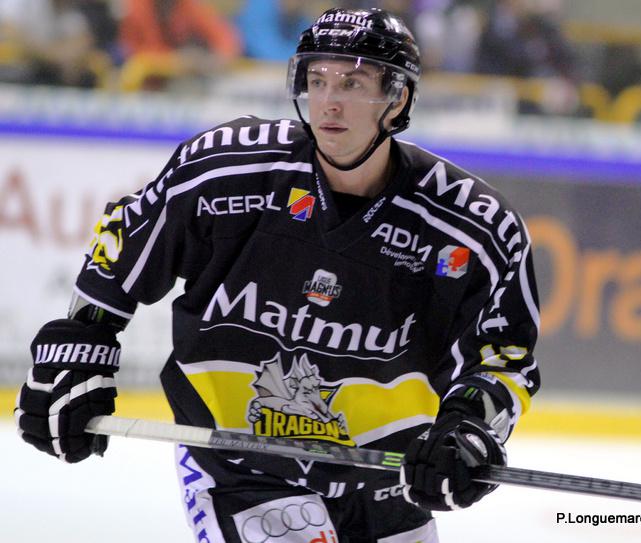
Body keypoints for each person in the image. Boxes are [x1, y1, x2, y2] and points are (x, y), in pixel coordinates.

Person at [14, 7, 541, 542]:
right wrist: (80, 344)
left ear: (397, 99)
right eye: (318, 79)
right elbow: (125, 248)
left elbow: (503, 358)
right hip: (240, 465)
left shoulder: (472, 228)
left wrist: (468, 427)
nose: (329, 101)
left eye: (353, 83)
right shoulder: (226, 171)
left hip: (386, 480)